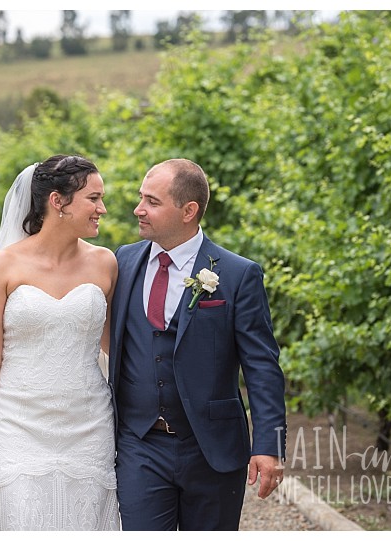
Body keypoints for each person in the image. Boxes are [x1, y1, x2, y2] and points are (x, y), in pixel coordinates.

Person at [108, 158, 286, 530]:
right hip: (139, 445)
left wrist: (269, 444)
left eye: (152, 202)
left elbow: (262, 365)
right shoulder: (122, 261)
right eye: (141, 198)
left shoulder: (237, 275)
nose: (138, 209)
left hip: (213, 449)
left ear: (188, 211)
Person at [0, 155, 120, 530]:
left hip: (87, 423)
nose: (102, 209)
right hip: (15, 422)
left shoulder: (105, 264)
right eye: (93, 199)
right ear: (57, 202)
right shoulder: (1, 267)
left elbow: (118, 346)